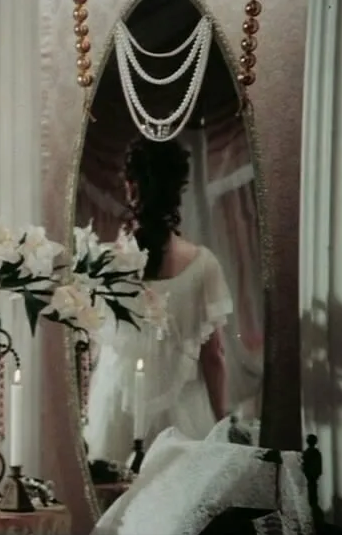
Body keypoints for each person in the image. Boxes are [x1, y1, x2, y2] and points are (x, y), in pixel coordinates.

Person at [83, 136, 233, 464]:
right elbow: (214, 355)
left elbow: (94, 344)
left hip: (115, 403)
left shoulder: (104, 262)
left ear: (130, 187)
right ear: (177, 191)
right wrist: (222, 420)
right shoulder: (203, 264)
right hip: (182, 410)